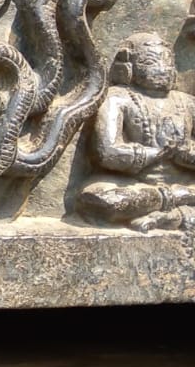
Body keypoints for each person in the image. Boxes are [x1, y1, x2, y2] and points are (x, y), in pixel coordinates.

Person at [76, 32, 195, 231]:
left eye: (167, 61)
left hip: (186, 183)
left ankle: (172, 214)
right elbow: (107, 152)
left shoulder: (188, 103)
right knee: (102, 199)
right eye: (150, 62)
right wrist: (155, 153)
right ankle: (178, 202)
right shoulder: (117, 98)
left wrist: (186, 154)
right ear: (128, 68)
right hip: (136, 185)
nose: (162, 69)